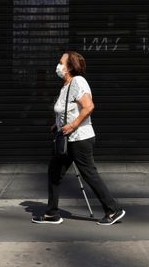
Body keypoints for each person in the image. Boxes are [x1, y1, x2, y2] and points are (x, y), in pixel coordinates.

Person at [31, 51, 126, 226]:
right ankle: (52, 213)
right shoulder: (66, 85)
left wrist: (73, 125)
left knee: (89, 174)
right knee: (54, 173)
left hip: (80, 138)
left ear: (69, 67)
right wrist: (57, 125)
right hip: (66, 138)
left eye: (61, 62)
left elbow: (88, 107)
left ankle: (113, 210)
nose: (58, 66)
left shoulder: (78, 81)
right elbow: (68, 110)